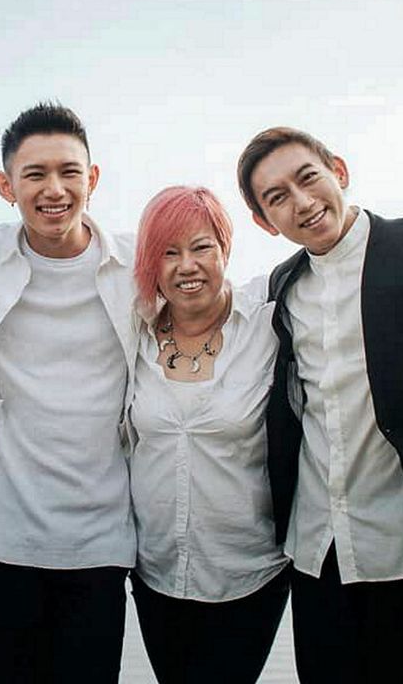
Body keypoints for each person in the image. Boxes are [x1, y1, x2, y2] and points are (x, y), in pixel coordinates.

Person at [237, 126, 403, 683]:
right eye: (278, 197)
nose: (302, 202)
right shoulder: (280, 288)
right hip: (317, 554)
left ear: (338, 170)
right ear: (266, 222)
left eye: (306, 178)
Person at [0, 103, 138, 683]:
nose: (53, 189)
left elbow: (218, 294)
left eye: (69, 171)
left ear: (93, 178)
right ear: (5, 185)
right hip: (3, 531)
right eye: (34, 174)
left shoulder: (135, 264)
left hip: (102, 537)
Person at [127, 186, 290, 683]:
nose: (186, 266)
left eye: (201, 248)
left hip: (250, 571)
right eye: (168, 253)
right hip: (154, 571)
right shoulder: (130, 334)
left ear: (225, 249)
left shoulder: (267, 323)